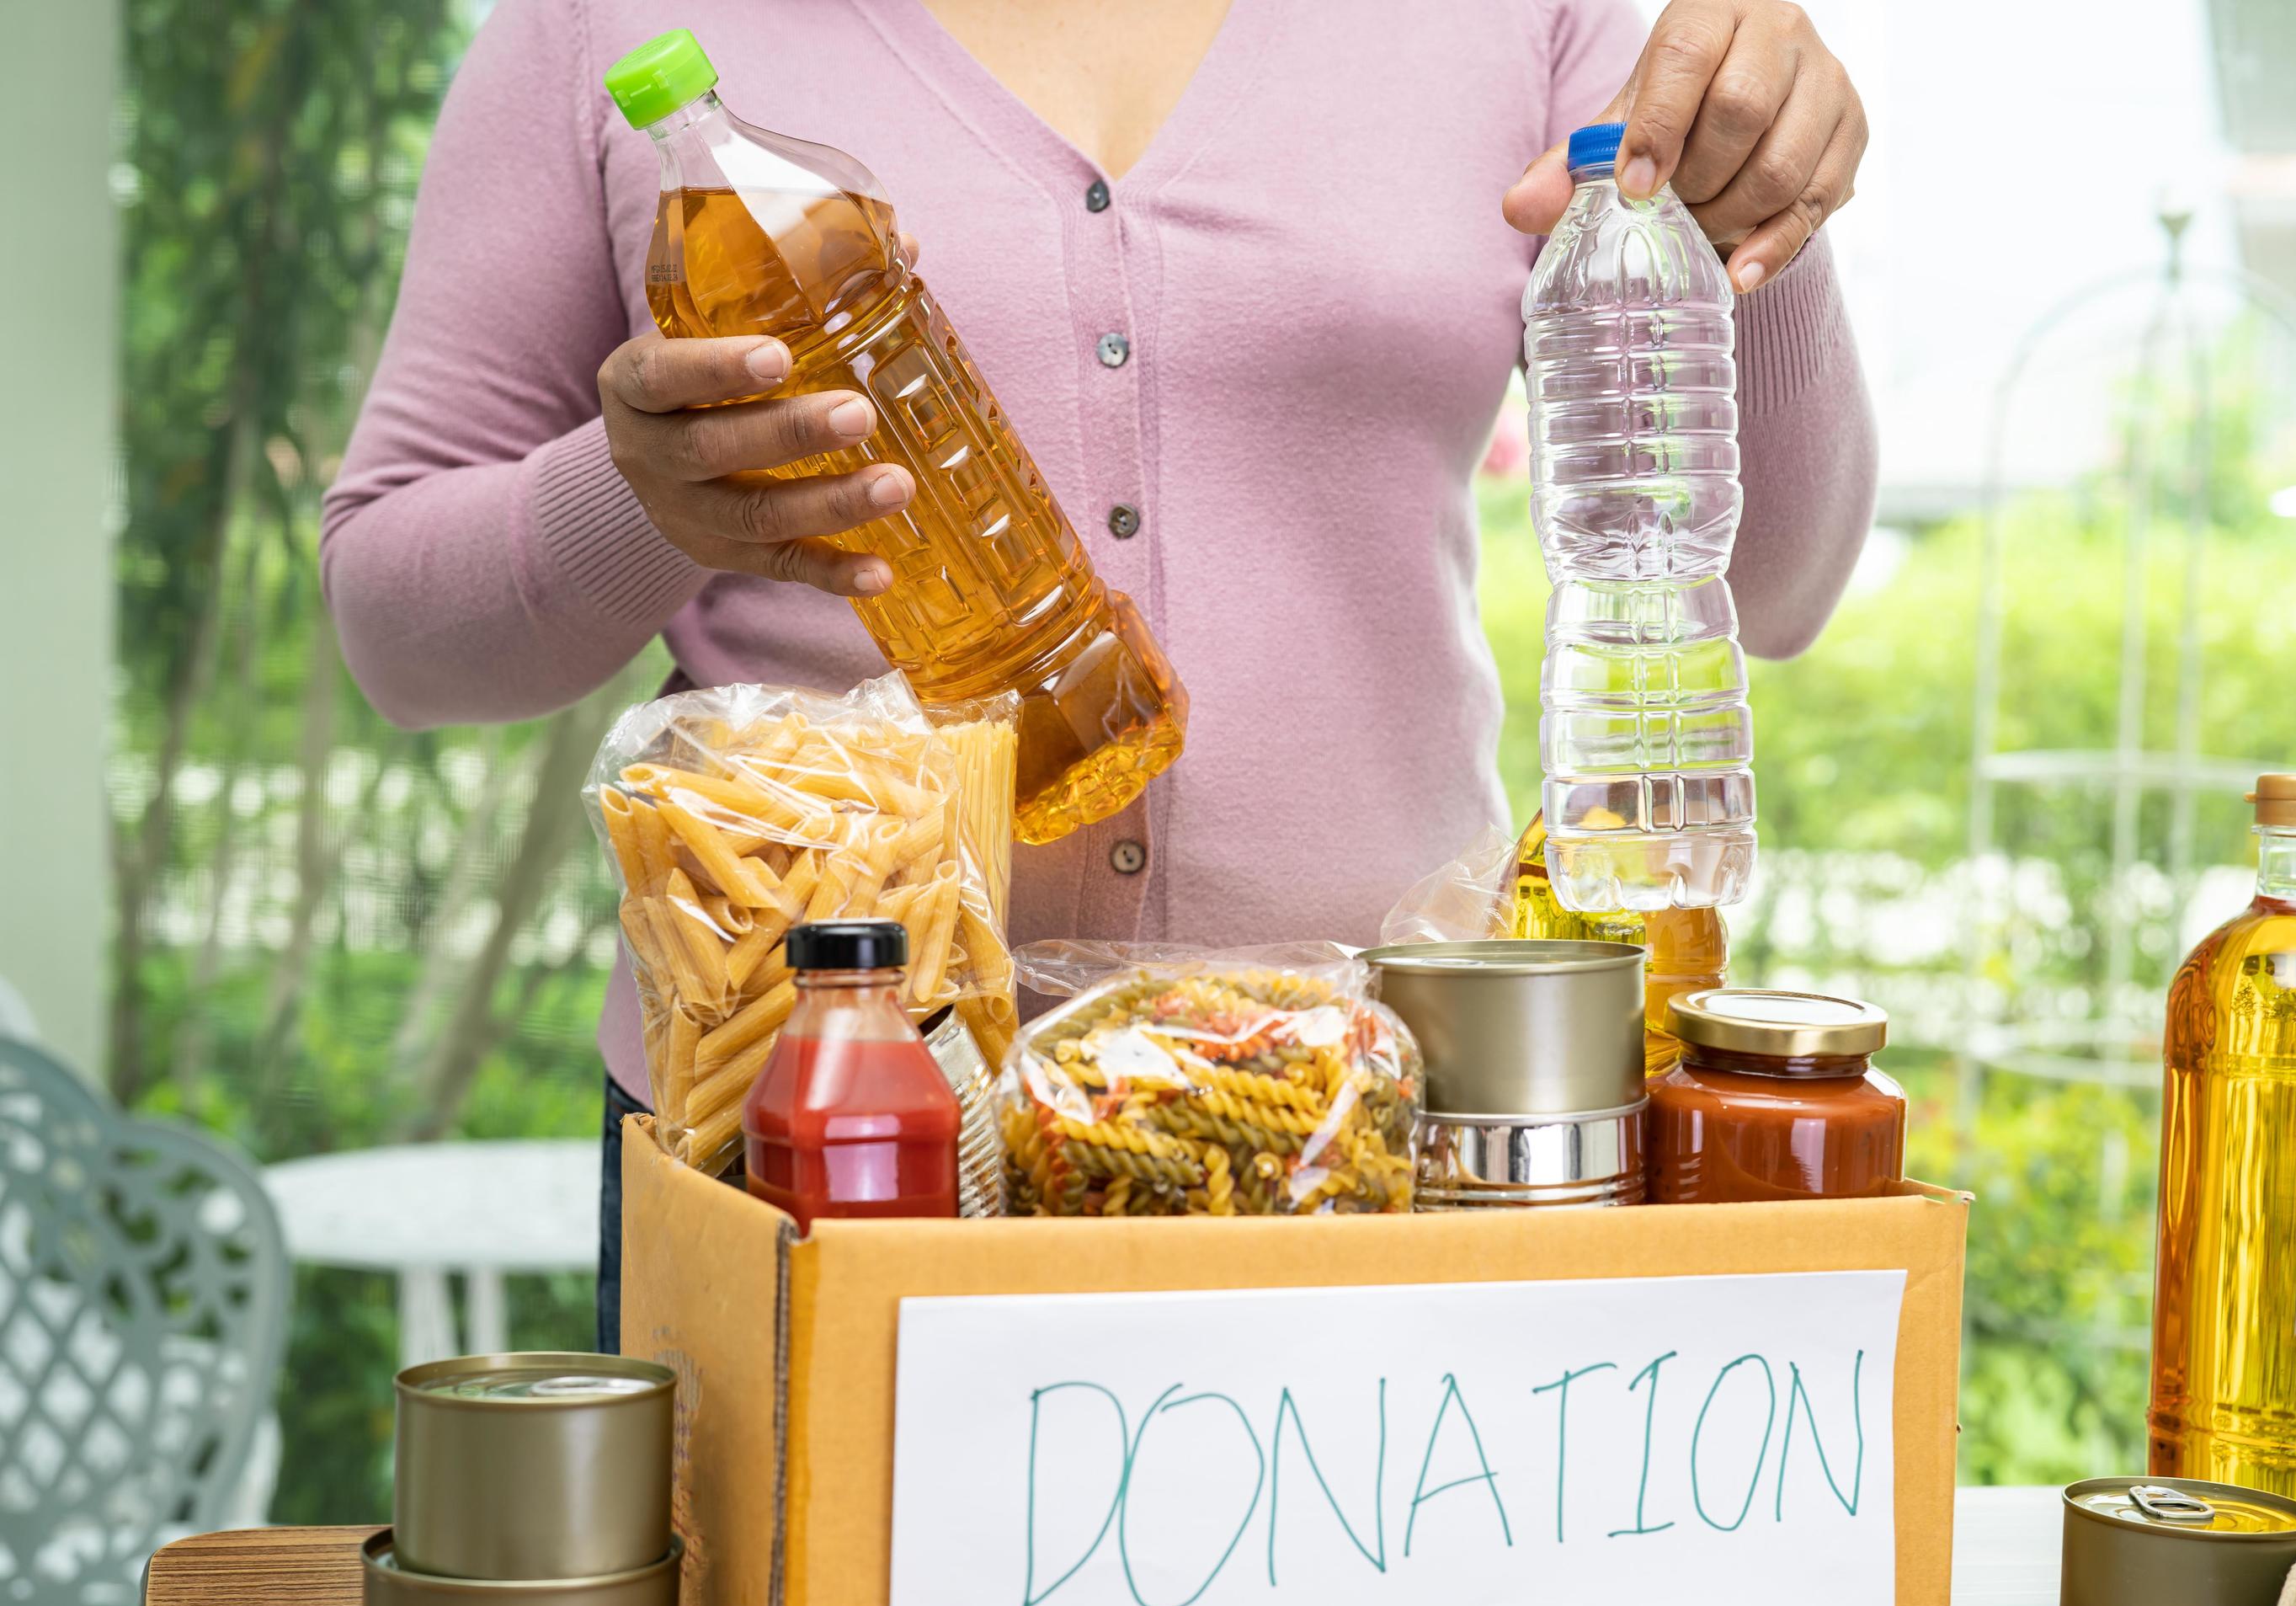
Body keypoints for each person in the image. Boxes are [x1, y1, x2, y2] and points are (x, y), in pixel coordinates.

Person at [321, 0, 1878, 1351]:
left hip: (1369, 1124)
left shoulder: (1522, 19)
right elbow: (399, 632)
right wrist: (641, 496)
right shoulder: (606, 29)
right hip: (818, 1137)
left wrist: (1760, 221)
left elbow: (1780, 583)